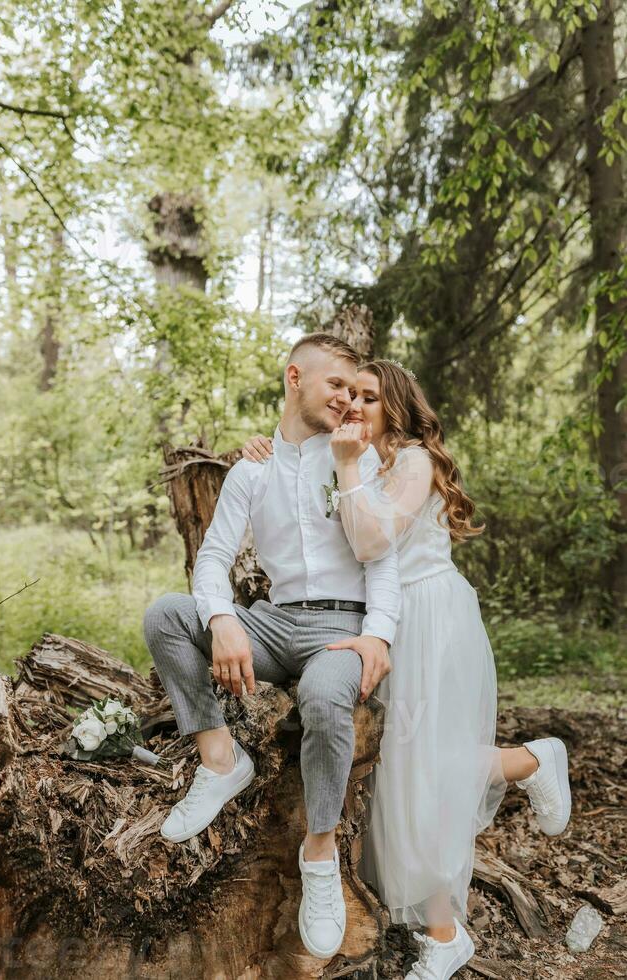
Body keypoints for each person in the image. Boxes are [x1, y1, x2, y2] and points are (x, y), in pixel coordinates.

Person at [242, 358, 571, 980]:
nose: (354, 406)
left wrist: (343, 467)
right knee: (401, 770)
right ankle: (444, 932)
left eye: (369, 397)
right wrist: (261, 449)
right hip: (382, 624)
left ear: (395, 404)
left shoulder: (414, 460)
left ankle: (531, 761)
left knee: (425, 767)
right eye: (350, 395)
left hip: (429, 616)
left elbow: (372, 544)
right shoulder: (359, 457)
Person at [142, 333, 401, 961]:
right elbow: (211, 562)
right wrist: (225, 620)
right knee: (167, 616)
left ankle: (319, 851)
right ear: (295, 378)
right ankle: (221, 759)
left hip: (341, 630)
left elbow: (383, 562)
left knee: (320, 698)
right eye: (335, 384)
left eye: (351, 388)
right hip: (272, 622)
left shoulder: (359, 458)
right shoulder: (251, 469)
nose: (345, 398)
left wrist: (379, 634)